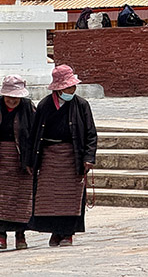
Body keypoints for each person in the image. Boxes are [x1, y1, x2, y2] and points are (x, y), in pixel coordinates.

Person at [28, 65, 97, 247]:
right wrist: (31, 160)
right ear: (58, 88)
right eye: (67, 87)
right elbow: (34, 134)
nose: (71, 90)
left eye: (73, 87)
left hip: (72, 156)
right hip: (50, 158)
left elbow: (91, 133)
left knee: (71, 197)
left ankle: (68, 233)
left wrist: (88, 157)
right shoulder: (44, 105)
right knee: (50, 197)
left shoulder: (81, 105)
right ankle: (55, 232)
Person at [0, 75, 36, 250]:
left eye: (15, 97)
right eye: (9, 96)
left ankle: (20, 236)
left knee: (20, 199)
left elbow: (35, 134)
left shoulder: (28, 107)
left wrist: (34, 159)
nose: (11, 100)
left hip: (22, 161)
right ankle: (0, 236)